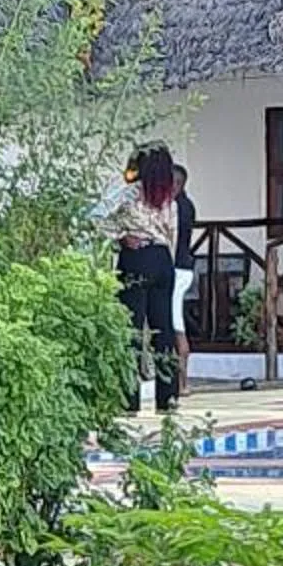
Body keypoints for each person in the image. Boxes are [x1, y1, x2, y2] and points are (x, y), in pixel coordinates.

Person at [108, 143, 180, 413]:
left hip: (136, 257)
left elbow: (97, 217)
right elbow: (173, 234)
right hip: (163, 260)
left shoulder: (130, 194)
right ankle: (167, 396)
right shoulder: (169, 199)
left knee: (132, 330)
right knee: (164, 328)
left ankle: (130, 397)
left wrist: (120, 238)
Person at [172, 161, 197, 394]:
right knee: (174, 321)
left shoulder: (179, 207)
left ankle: (182, 383)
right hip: (183, 267)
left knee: (175, 322)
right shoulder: (187, 205)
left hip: (178, 269)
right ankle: (180, 382)